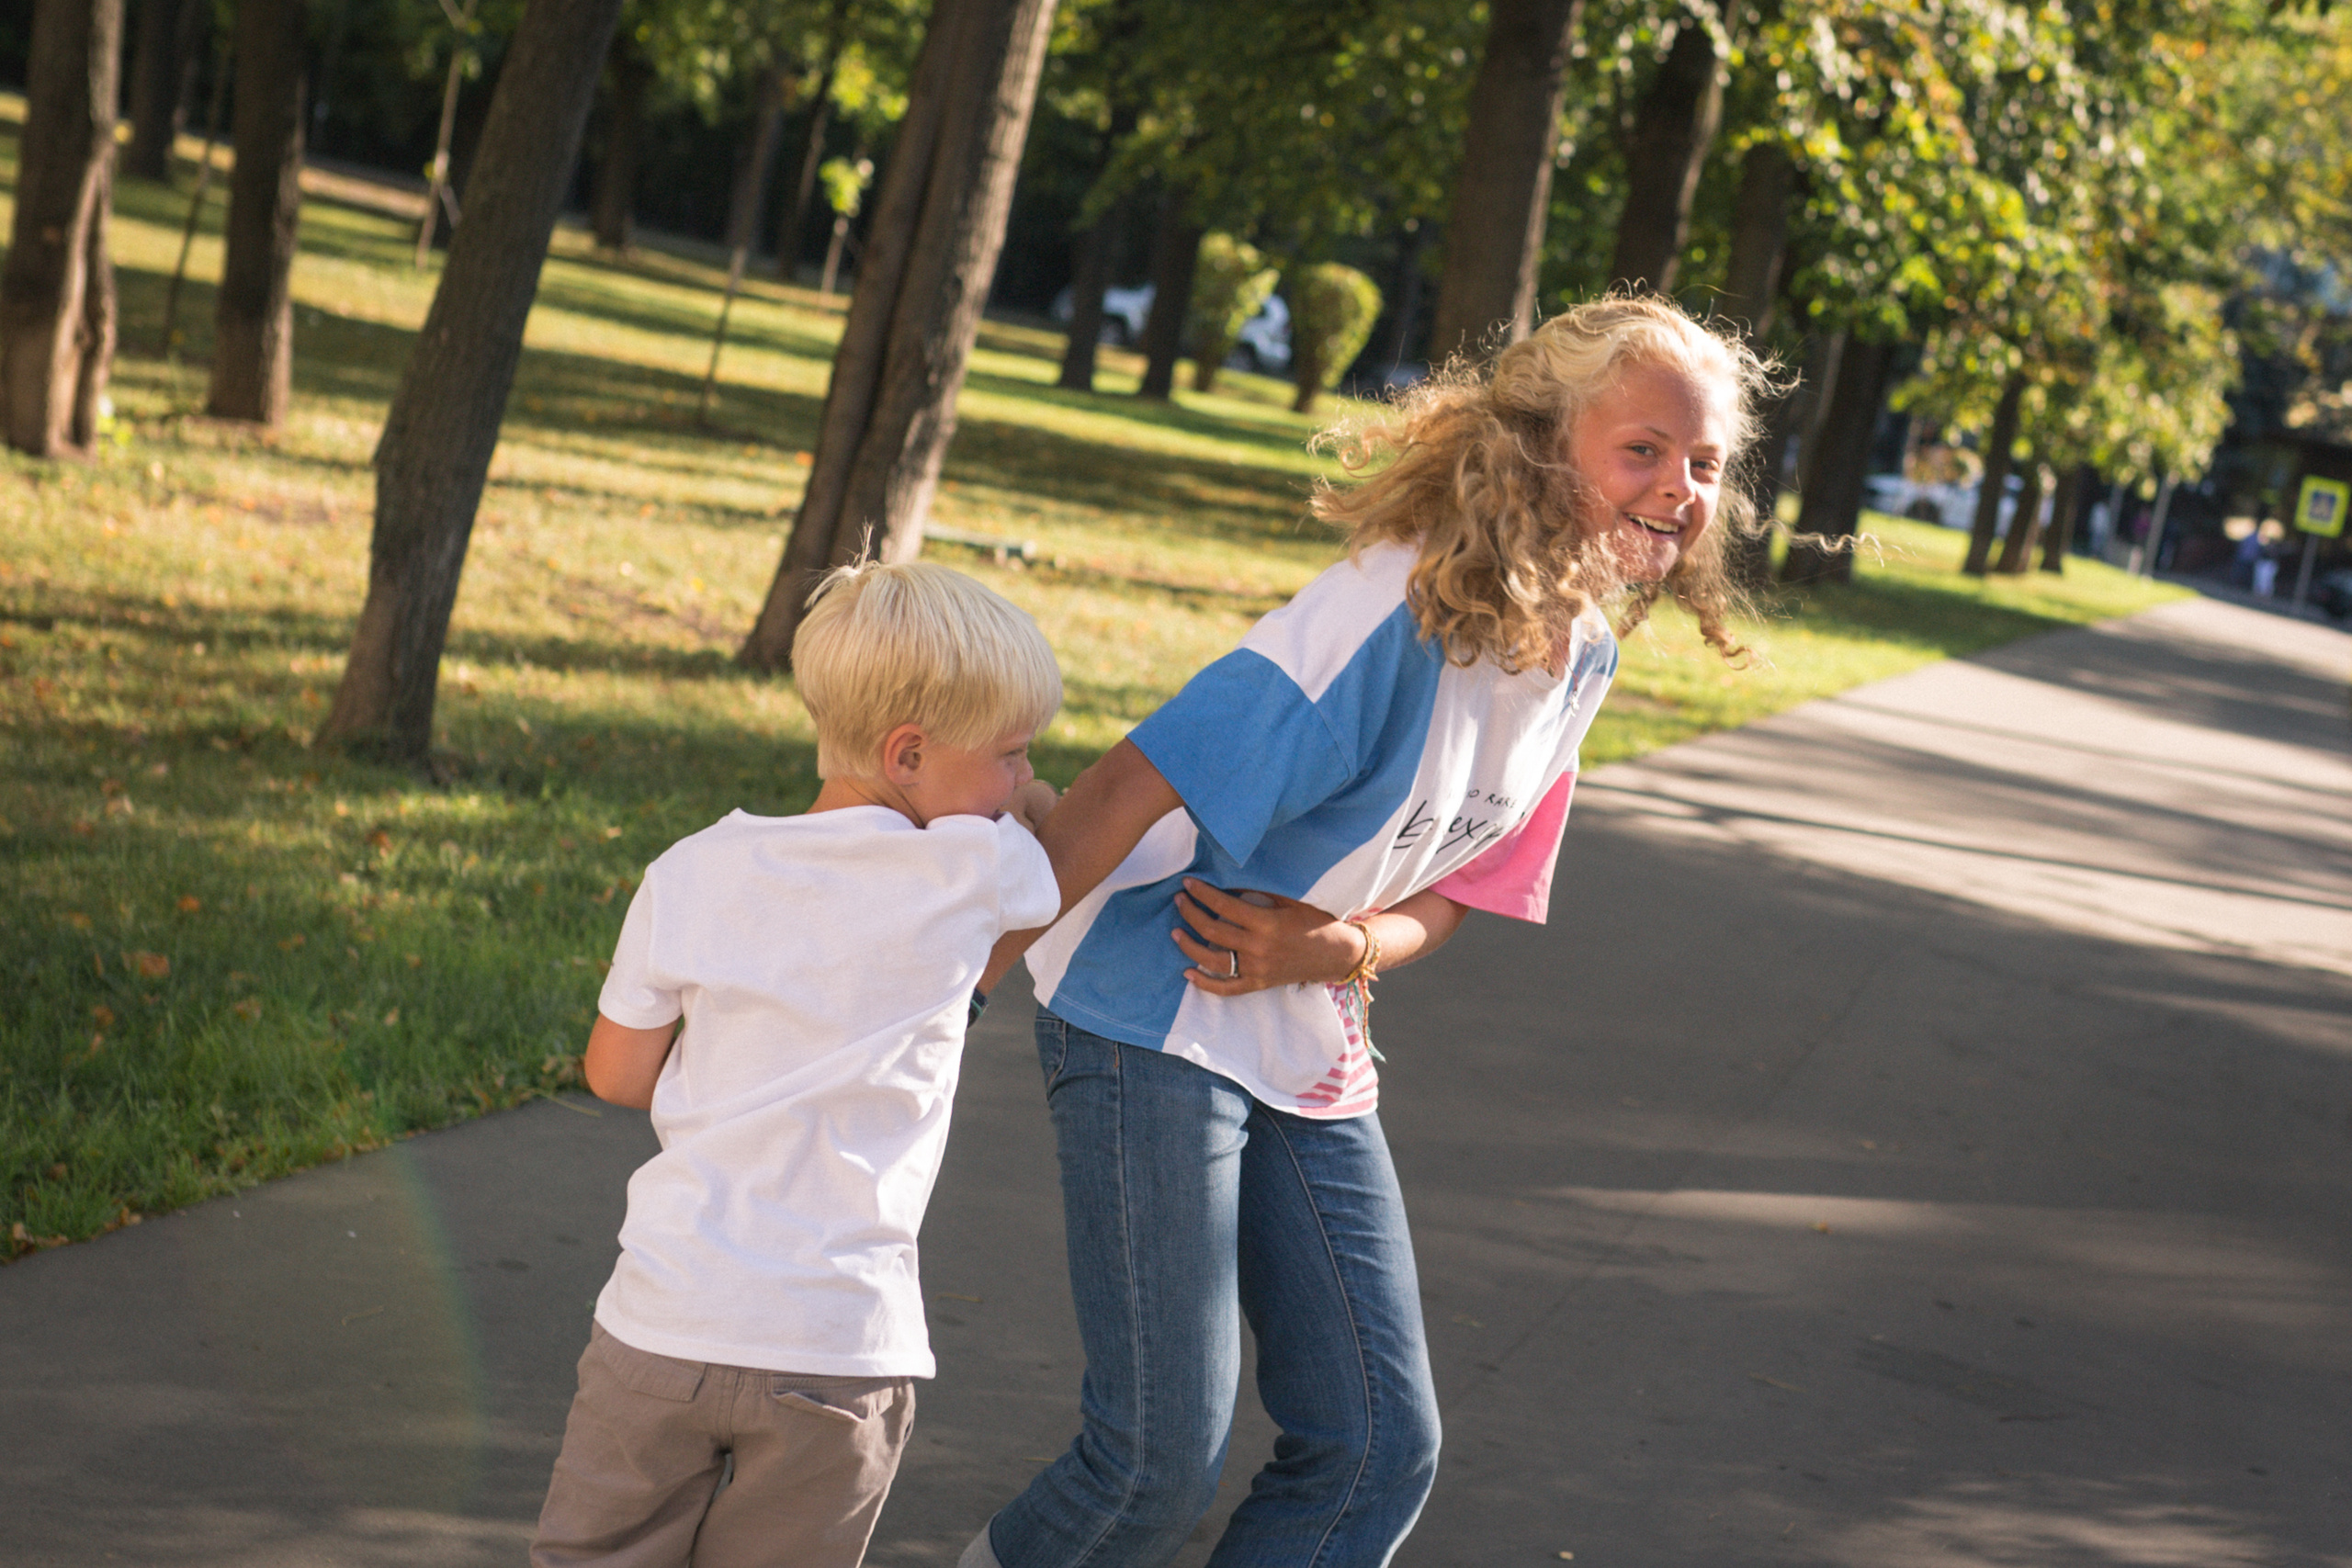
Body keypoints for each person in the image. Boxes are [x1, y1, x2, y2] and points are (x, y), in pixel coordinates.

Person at [961, 297, 1774, 1568]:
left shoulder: (1584, 659)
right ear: (1549, 439)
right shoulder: (1392, 607)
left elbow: (1465, 890)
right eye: (1645, 449)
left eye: (1707, 462)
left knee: (1375, 1446)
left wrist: (1338, 949)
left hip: (1298, 1024)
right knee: (1154, 1466)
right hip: (1151, 1002)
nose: (1681, 486)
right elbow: (1129, 782)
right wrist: (950, 984)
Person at [533, 561, 1064, 1568]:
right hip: (838, 1348)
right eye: (1010, 752)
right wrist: (1030, 799)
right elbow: (1044, 848)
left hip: (663, 1320)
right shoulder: (975, 867)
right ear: (908, 754)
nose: (1017, 777)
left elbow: (613, 1074)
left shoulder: (690, 869)